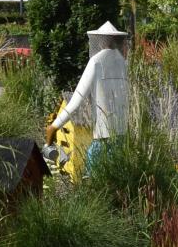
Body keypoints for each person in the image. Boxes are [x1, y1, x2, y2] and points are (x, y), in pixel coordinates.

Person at [48, 21, 130, 172]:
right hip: (122, 136)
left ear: (99, 41)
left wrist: (53, 127)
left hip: (102, 137)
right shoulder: (123, 63)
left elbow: (75, 102)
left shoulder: (95, 62)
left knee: (93, 181)